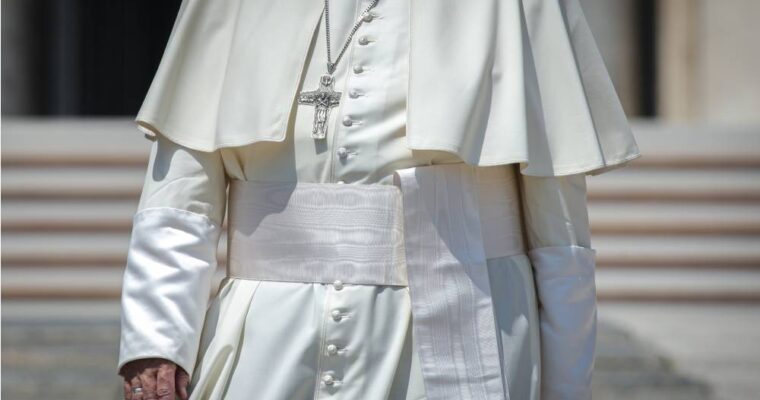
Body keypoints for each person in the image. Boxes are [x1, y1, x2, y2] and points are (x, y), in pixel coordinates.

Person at [116, 0, 641, 399]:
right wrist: (157, 338)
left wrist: (566, 382)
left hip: (466, 319)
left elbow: (559, 225)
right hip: (270, 334)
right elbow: (181, 192)